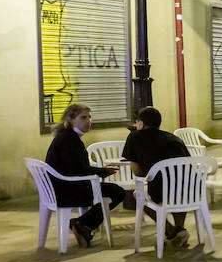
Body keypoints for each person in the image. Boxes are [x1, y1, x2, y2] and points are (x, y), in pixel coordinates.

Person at [43, 103, 126, 247]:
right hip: (67, 191)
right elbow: (78, 170)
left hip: (62, 187)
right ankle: (82, 223)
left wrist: (100, 171)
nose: (88, 121)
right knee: (117, 192)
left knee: (111, 190)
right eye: (83, 117)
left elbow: (76, 167)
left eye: (89, 117)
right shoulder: (69, 140)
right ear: (71, 119)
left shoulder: (67, 136)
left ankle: (83, 223)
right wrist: (103, 171)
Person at [121, 107, 193, 247]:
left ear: (140, 123)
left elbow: (137, 172)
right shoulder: (174, 138)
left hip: (159, 191)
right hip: (189, 190)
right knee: (177, 187)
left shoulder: (134, 137)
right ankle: (179, 229)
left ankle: (169, 229)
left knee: (139, 196)